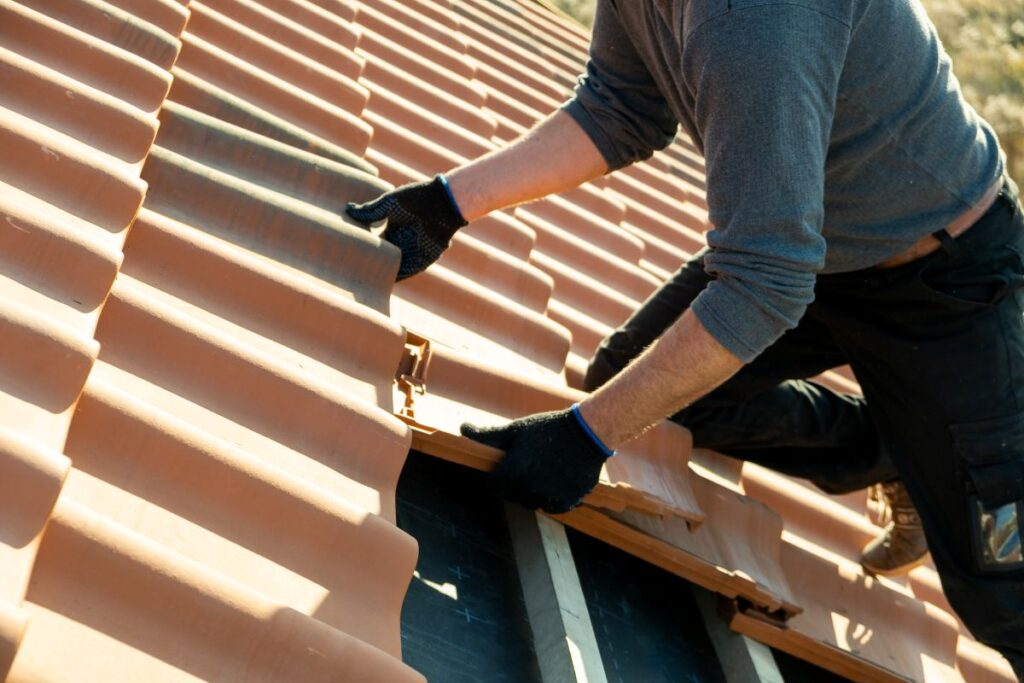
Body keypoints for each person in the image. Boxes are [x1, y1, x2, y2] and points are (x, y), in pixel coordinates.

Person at [346, 0, 1023, 675]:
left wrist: (586, 437)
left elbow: (764, 283)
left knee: (1000, 595)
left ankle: (935, 453)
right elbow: (620, 108)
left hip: (947, 287)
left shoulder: (754, 21)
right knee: (650, 383)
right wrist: (449, 202)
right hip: (812, 248)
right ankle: (895, 450)